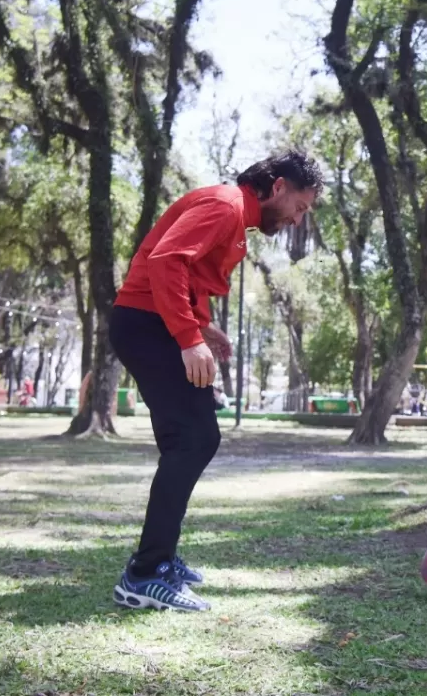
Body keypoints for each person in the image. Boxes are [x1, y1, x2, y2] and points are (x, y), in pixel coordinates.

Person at [109, 150, 322, 612]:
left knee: (188, 440)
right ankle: (144, 573)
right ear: (279, 186)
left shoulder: (234, 213)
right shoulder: (226, 205)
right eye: (301, 207)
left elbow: (181, 273)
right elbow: (166, 261)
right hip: (147, 326)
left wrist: (201, 326)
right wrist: (188, 338)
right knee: (195, 438)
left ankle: (157, 561)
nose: (298, 220)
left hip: (151, 323)